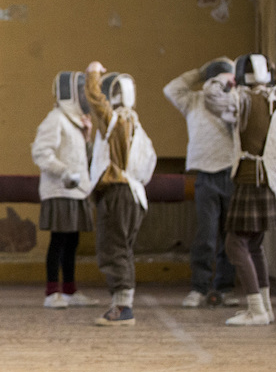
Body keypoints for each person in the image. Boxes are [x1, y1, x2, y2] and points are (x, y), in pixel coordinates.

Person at [222, 54, 276, 326]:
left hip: (249, 182)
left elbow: (216, 101)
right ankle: (265, 308)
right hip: (270, 183)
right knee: (254, 246)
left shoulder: (244, 100)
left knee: (235, 244)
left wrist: (224, 83)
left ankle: (256, 309)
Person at [163, 58, 240, 308]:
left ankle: (223, 288)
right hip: (205, 176)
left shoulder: (235, 102)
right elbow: (171, 89)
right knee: (205, 236)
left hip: (230, 173)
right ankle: (199, 287)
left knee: (230, 237)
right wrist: (200, 72)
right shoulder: (194, 100)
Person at [85, 63, 157, 327]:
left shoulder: (116, 122)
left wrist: (92, 73)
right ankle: (122, 302)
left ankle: (123, 307)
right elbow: (149, 164)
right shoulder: (136, 126)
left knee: (112, 249)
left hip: (118, 194)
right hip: (135, 194)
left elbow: (95, 100)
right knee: (122, 249)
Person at [30, 71, 98, 309]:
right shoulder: (56, 118)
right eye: (80, 92)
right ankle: (52, 292)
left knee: (72, 242)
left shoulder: (78, 121)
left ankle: (69, 290)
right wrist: (64, 171)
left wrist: (87, 137)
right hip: (60, 190)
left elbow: (85, 158)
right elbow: (41, 153)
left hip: (77, 190)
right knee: (58, 241)